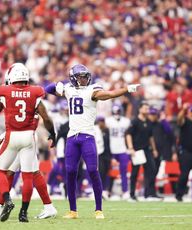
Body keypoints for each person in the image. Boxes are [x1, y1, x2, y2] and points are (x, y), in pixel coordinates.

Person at [45, 63, 140, 219]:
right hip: (72, 137)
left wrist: (127, 89)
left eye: (84, 76)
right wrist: (58, 86)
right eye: (80, 77)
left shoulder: (92, 90)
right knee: (70, 172)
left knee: (92, 171)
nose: (83, 79)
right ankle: (73, 211)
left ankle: (98, 209)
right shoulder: (69, 89)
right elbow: (46, 90)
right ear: (73, 78)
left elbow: (109, 94)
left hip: (87, 136)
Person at [0, 70, 57, 219]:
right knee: (27, 174)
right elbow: (44, 116)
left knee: (3, 170)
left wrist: (2, 94)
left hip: (14, 135)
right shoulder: (35, 93)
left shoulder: (6, 91)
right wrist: (52, 133)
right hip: (28, 138)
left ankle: (6, 202)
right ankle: (21, 212)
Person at [126, 103, 162, 201]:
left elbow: (151, 137)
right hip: (137, 150)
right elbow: (128, 134)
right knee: (135, 173)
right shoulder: (135, 121)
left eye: (148, 108)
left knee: (151, 170)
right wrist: (130, 147)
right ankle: (132, 194)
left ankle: (149, 193)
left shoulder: (149, 122)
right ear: (140, 109)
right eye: (145, 108)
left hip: (146, 149)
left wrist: (154, 149)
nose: (147, 110)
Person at [105, 104, 131, 200]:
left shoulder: (126, 121)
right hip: (111, 149)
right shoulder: (108, 121)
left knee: (123, 171)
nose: (117, 113)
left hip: (123, 149)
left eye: (118, 111)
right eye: (115, 112)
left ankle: (125, 191)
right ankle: (107, 190)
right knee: (108, 171)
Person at [95, 116, 111, 199]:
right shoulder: (95, 130)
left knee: (106, 173)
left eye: (102, 121)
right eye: (99, 121)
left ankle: (104, 190)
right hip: (99, 154)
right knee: (100, 173)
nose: (101, 123)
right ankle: (98, 191)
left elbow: (109, 144)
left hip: (107, 155)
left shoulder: (107, 130)